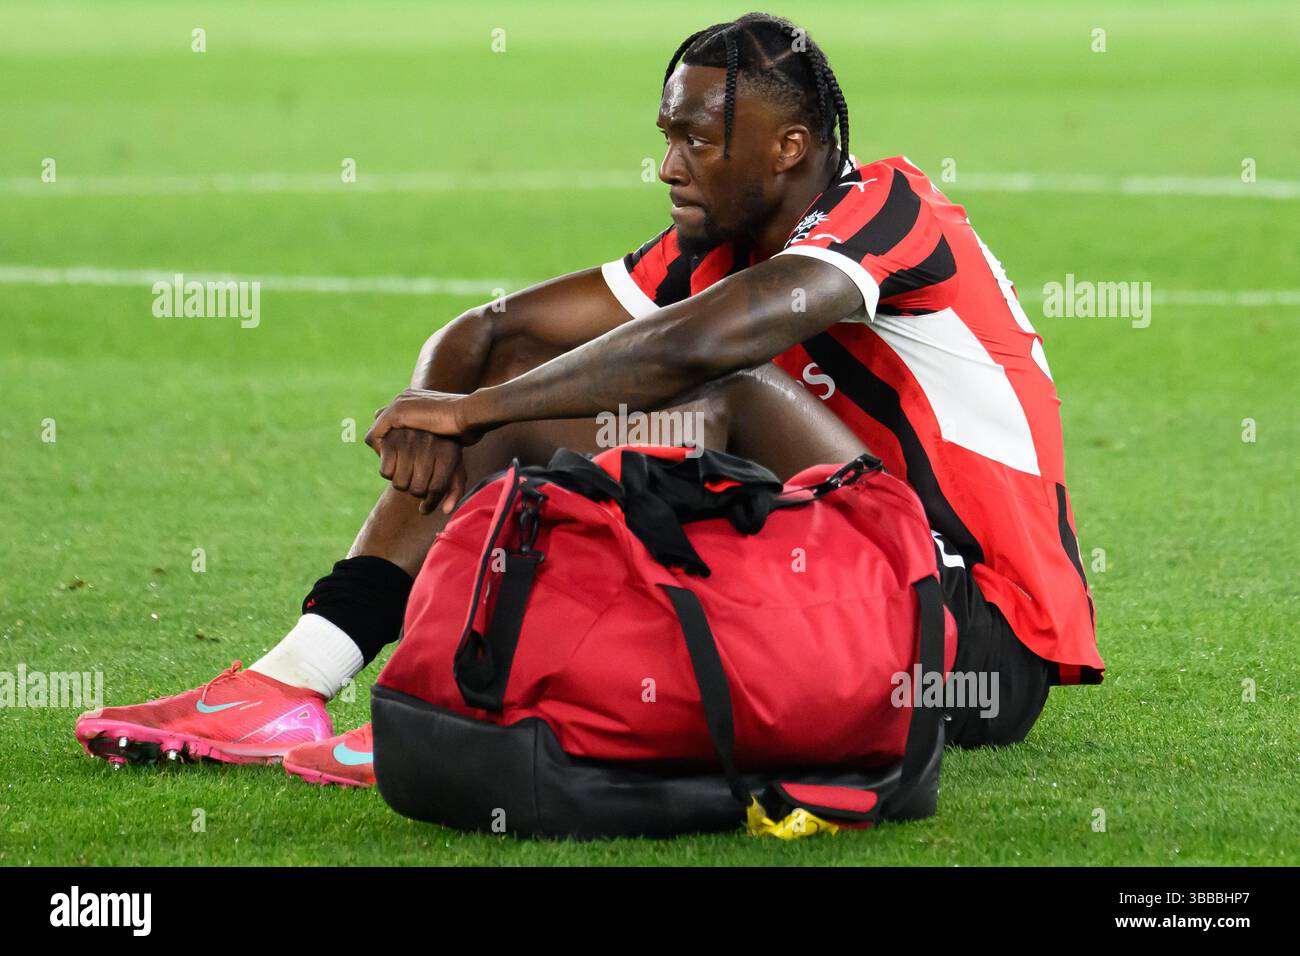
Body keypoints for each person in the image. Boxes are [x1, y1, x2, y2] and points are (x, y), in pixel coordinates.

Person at [76, 12, 1103, 789]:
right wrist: (439, 399)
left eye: (697, 137)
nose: (667, 164)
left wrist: (479, 418)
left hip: (970, 637)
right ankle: (294, 682)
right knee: (581, 419)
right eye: (666, 133)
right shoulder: (710, 251)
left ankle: (464, 699)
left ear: (789, 148)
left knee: (709, 395)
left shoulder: (888, 205)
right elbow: (494, 330)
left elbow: (712, 342)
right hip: (839, 604)